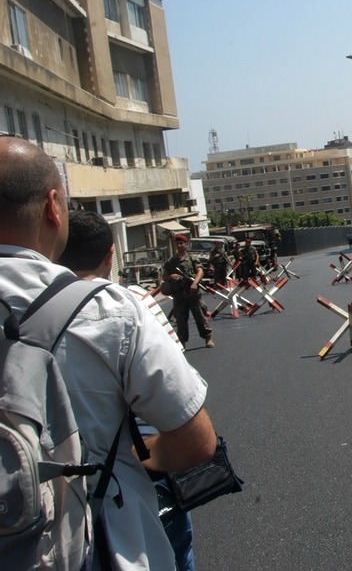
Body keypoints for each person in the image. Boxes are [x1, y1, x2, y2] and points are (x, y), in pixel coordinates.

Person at [0, 136, 217, 570]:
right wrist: (133, 457)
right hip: (101, 544)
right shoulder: (108, 309)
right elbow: (196, 441)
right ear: (53, 206)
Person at [58, 210, 197, 571]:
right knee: (175, 549)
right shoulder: (131, 302)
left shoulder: (21, 313)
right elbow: (184, 408)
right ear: (109, 255)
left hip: (51, 500)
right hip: (133, 475)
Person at [163, 234, 214, 350]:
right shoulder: (172, 261)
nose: (179, 245)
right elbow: (164, 276)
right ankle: (182, 342)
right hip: (179, 295)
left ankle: (207, 337)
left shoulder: (192, 258)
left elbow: (200, 271)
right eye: (177, 243)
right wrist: (172, 276)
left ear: (186, 245)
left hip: (193, 293)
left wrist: (195, 283)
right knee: (181, 320)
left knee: (200, 317)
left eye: (182, 243)